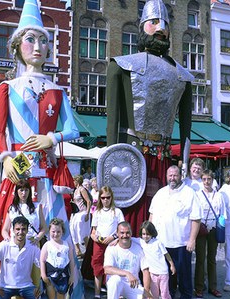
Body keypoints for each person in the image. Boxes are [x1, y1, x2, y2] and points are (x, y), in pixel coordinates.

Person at [0, 0, 79, 240]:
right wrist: (6, 159)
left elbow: (73, 129)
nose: (38, 46)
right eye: (30, 39)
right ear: (17, 46)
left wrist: (50, 138)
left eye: (43, 40)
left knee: (52, 224)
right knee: (13, 221)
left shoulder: (57, 89)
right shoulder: (8, 87)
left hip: (47, 168)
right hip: (19, 164)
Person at [105, 0, 193, 235]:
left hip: (163, 155)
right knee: (130, 208)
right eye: (154, 22)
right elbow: (113, 120)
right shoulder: (121, 66)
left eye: (165, 23)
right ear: (142, 25)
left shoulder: (182, 75)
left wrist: (184, 160)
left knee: (162, 212)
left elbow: (186, 126)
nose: (161, 28)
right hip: (131, 154)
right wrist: (111, 159)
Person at [149, 165, 201, 299]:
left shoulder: (189, 193)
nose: (172, 178)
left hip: (181, 243)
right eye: (170, 175)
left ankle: (186, 296)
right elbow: (152, 215)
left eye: (175, 175)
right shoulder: (160, 193)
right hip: (162, 243)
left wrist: (192, 239)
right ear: (166, 177)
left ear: (180, 176)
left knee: (184, 275)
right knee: (167, 275)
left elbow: (196, 219)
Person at [0, 216, 41, 299]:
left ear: (27, 230)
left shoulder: (33, 246)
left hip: (26, 286)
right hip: (5, 286)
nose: (20, 232)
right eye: (18, 229)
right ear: (13, 230)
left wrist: (40, 287)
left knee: (39, 297)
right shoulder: (4, 245)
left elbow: (42, 265)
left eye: (23, 229)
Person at [194, 170, 225, 298]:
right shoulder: (197, 195)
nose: (207, 182)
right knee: (200, 259)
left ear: (213, 180)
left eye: (209, 179)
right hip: (201, 228)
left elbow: (222, 214)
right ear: (202, 180)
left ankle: (213, 287)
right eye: (204, 179)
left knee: (212, 259)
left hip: (213, 228)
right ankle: (199, 287)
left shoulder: (218, 195)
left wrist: (222, 229)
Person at [90, 186, 124, 298]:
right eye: (103, 197)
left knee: (113, 267)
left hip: (113, 243)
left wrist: (113, 237)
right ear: (100, 198)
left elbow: (123, 230)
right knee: (97, 267)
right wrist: (96, 238)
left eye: (108, 197)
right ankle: (97, 294)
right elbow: (93, 232)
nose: (105, 200)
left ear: (111, 197)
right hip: (99, 245)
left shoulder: (117, 212)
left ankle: (114, 293)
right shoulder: (97, 212)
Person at [103, 221, 151, 299]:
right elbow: (107, 269)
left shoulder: (138, 248)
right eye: (122, 233)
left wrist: (146, 291)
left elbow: (145, 271)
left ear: (131, 233)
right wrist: (127, 274)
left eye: (127, 233)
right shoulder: (111, 248)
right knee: (115, 280)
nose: (125, 235)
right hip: (117, 285)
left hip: (133, 285)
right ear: (117, 234)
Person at [1, 179, 47, 246]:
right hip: (15, 242)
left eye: (26, 190)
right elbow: (5, 229)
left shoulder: (37, 207)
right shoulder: (12, 208)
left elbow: (44, 227)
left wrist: (37, 238)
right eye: (21, 190)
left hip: (32, 242)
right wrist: (8, 239)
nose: (24, 193)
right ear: (17, 191)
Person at [138, 221, 175, 299]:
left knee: (164, 294)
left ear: (152, 233)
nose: (145, 236)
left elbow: (166, 254)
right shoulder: (141, 242)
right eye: (143, 234)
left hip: (163, 273)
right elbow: (130, 239)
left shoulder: (158, 242)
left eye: (148, 234)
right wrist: (116, 240)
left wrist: (172, 265)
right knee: (154, 294)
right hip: (153, 273)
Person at [40, 218, 74, 299]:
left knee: (61, 296)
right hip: (50, 276)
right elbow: (42, 261)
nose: (56, 234)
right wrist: (43, 275)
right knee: (51, 296)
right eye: (53, 232)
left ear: (63, 231)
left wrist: (72, 275)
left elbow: (71, 260)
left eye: (58, 232)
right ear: (49, 231)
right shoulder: (47, 245)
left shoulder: (67, 245)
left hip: (63, 276)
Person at [70, 175, 91, 257]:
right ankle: (78, 250)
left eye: (74, 181)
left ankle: (87, 249)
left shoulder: (82, 189)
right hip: (76, 213)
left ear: (77, 181)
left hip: (83, 212)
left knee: (82, 232)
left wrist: (87, 213)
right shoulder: (75, 190)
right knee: (73, 230)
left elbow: (88, 201)